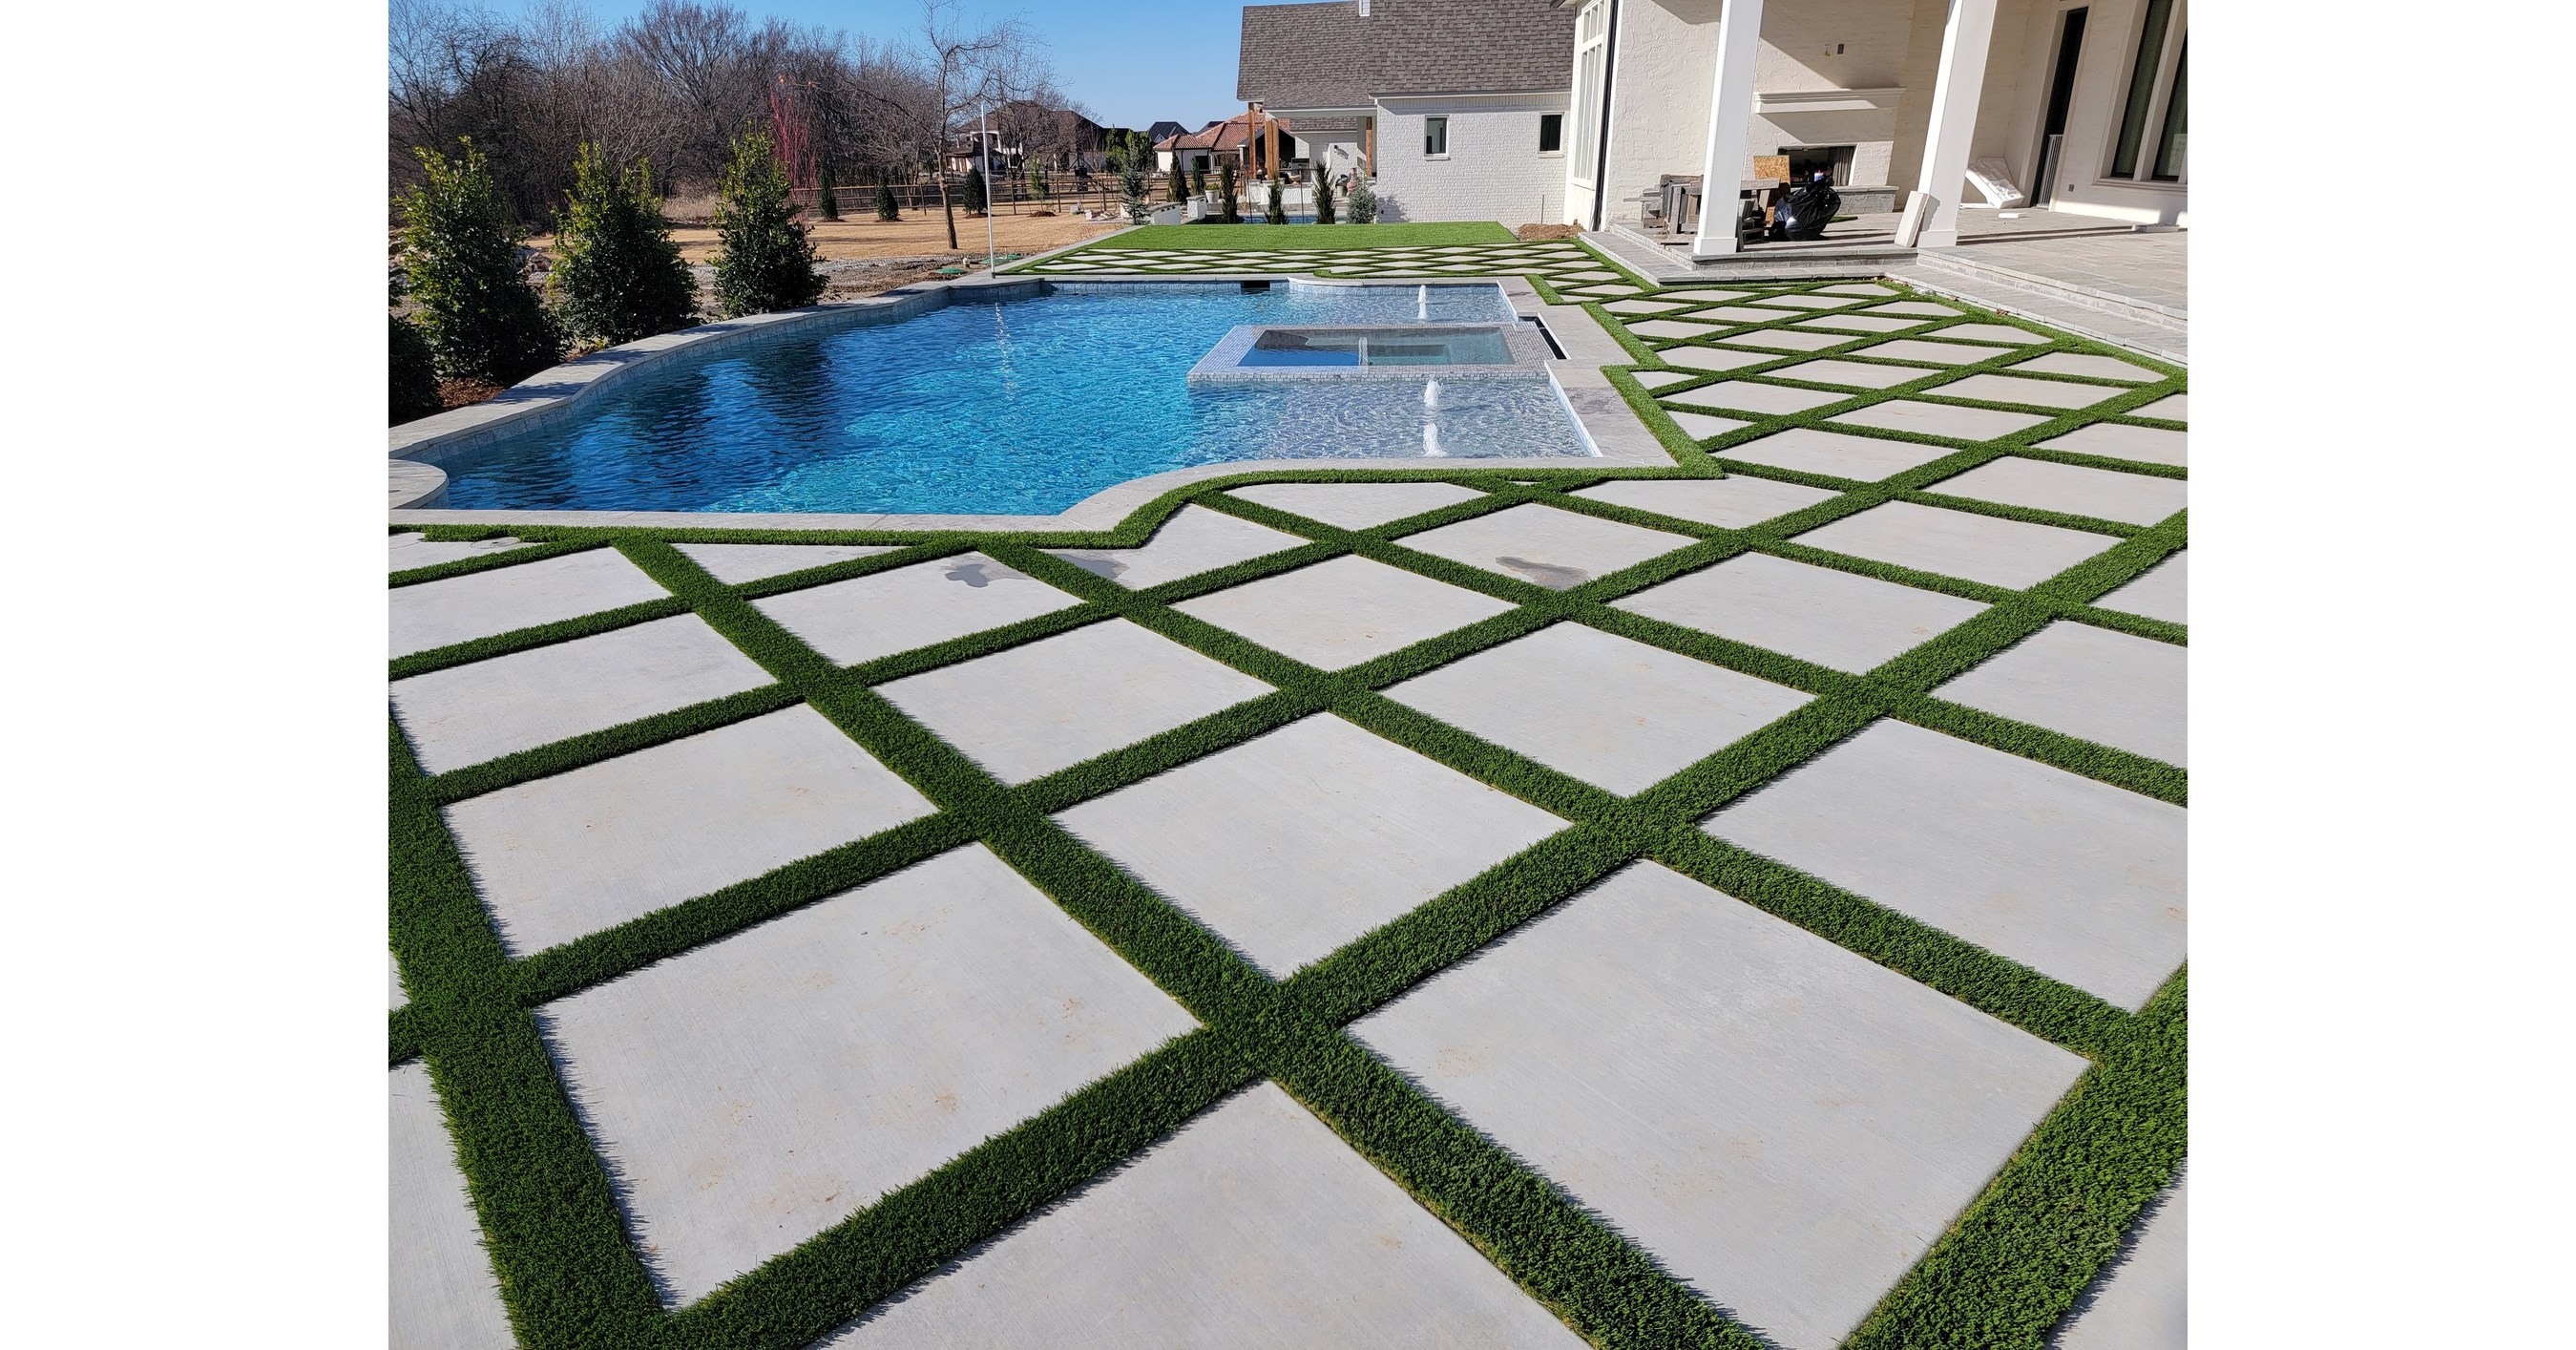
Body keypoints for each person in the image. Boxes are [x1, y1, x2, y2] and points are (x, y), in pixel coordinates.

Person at [1769, 171, 1842, 242]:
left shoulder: (1807, 196)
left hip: (1786, 230)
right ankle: (1804, 233)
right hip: (1795, 228)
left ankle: (1799, 232)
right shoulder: (1809, 196)